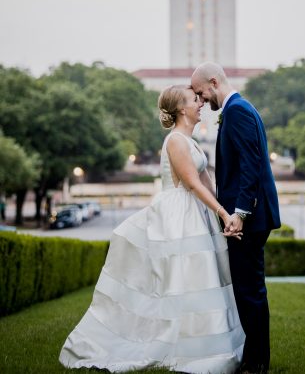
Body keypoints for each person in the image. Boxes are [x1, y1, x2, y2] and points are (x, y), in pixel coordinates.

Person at [59, 84, 245, 373]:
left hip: (196, 214)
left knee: (199, 279)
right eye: (194, 100)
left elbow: (206, 181)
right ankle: (183, 346)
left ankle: (202, 341)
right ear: (182, 109)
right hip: (179, 214)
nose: (200, 104)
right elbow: (192, 185)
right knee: (184, 279)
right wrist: (221, 212)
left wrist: (226, 216)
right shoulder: (175, 141)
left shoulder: (191, 141)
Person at [191, 63, 281, 373]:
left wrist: (240, 213)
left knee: (249, 291)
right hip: (251, 217)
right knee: (248, 289)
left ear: (214, 82)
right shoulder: (238, 109)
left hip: (250, 219)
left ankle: (256, 363)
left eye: (202, 92)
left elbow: (251, 165)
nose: (202, 100)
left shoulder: (238, 110)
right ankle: (254, 357)